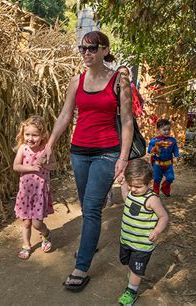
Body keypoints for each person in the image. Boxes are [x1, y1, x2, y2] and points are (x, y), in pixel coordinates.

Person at [43, 31, 134, 291]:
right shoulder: (77, 80)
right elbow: (65, 115)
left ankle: (81, 268)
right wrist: (50, 144)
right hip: (79, 151)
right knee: (86, 204)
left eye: (92, 48)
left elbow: (127, 121)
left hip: (107, 151)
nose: (86, 52)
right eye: (82, 48)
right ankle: (90, 243)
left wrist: (124, 157)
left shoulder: (119, 81)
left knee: (92, 208)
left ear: (105, 50)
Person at [118, 158, 169, 305]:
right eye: (131, 185)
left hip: (142, 244)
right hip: (127, 239)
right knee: (126, 261)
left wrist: (157, 231)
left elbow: (164, 216)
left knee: (136, 270)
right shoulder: (132, 192)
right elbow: (127, 200)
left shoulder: (152, 199)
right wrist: (123, 187)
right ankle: (134, 273)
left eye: (138, 186)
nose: (133, 189)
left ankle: (131, 291)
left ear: (149, 183)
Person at [13, 115, 57, 260]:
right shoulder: (23, 149)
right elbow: (16, 166)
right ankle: (26, 245)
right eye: (27, 134)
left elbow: (54, 165)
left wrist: (45, 165)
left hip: (39, 192)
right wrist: (31, 167)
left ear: (42, 135)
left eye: (35, 135)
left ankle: (46, 234)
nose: (30, 138)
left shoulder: (45, 150)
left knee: (37, 223)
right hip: (25, 192)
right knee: (26, 222)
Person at [148, 119, 179, 196]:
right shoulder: (154, 141)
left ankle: (165, 187)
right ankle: (156, 191)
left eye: (168, 130)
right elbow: (149, 151)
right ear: (158, 130)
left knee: (170, 178)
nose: (167, 131)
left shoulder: (172, 141)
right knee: (157, 179)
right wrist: (155, 149)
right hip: (157, 164)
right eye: (164, 130)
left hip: (168, 164)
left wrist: (177, 155)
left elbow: (175, 149)